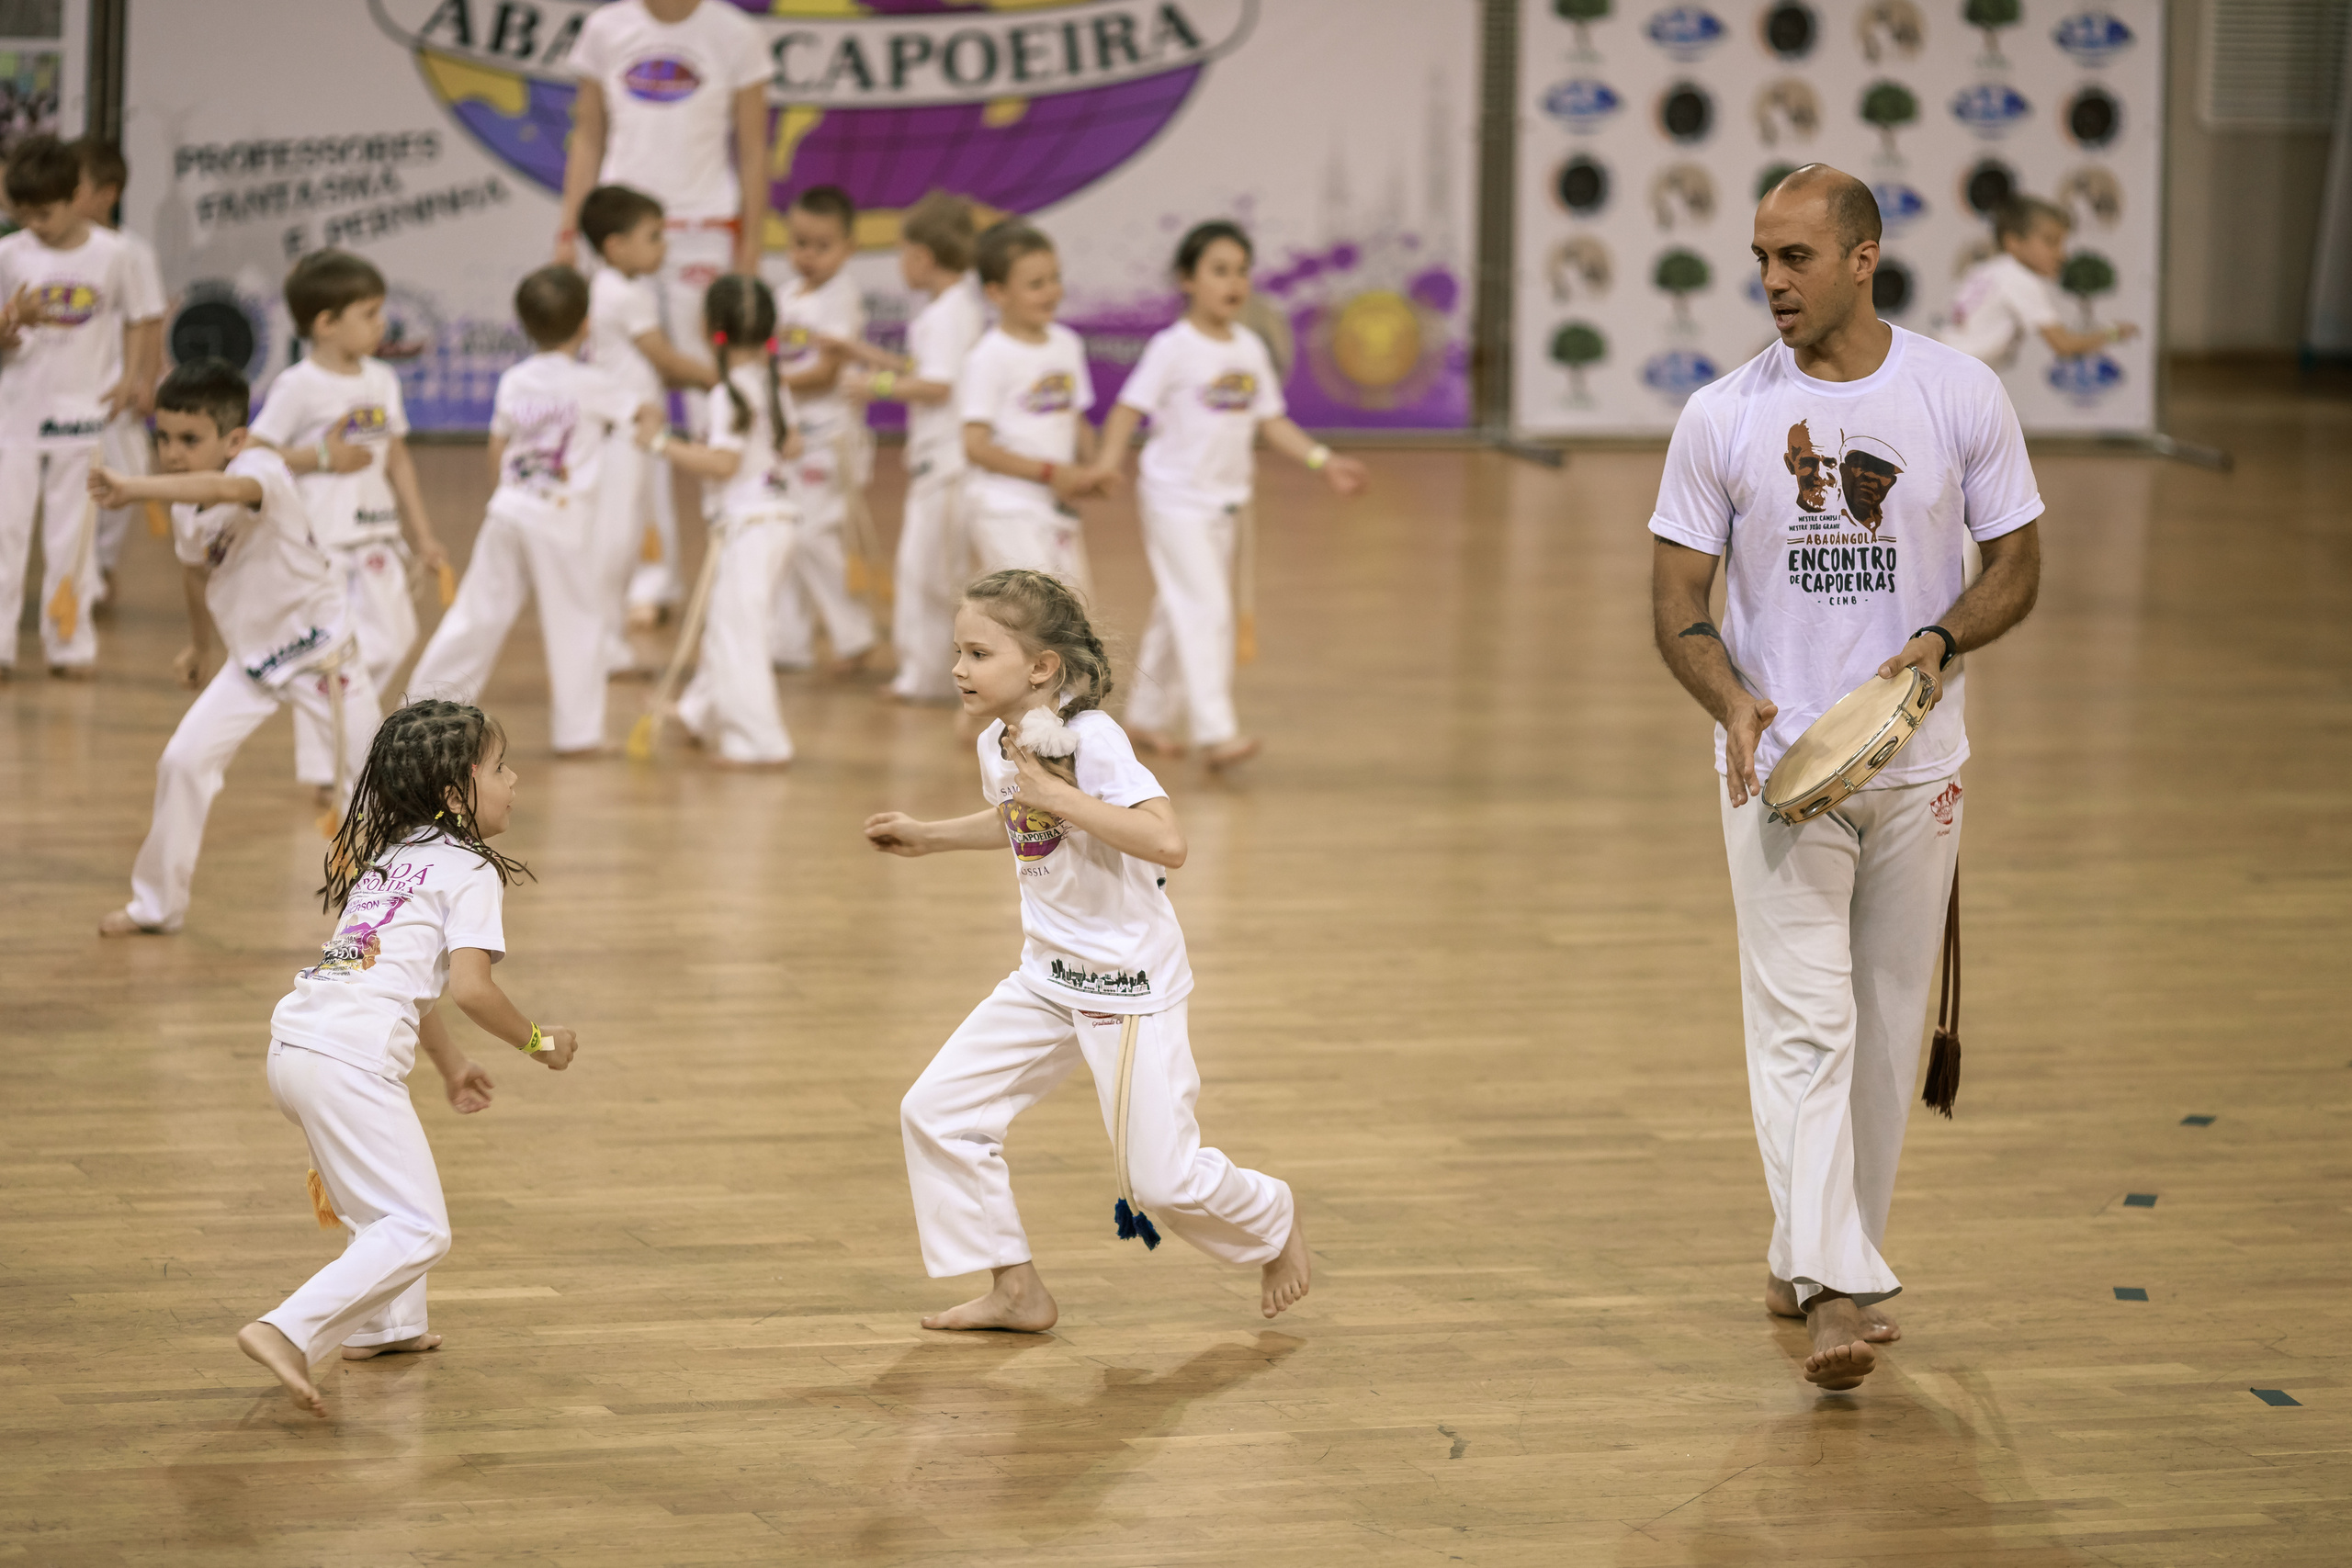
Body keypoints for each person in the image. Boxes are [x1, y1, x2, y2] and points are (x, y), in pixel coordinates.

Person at [1648, 164, 2042, 1390]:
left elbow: (2017, 561)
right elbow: (1674, 601)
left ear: (1862, 257)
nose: (1771, 279)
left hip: (1920, 764)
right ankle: (1836, 1283)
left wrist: (1943, 638)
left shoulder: (1955, 392)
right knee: (1806, 1025)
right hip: (1779, 773)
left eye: (1796, 258)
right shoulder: (1721, 414)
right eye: (1760, 256)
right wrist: (1730, 697)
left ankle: (1803, 1246)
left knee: (1877, 1036)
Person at [865, 569, 1312, 1330]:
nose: (958, 668)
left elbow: (1167, 840)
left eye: (978, 653)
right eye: (958, 652)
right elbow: (1024, 822)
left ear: (1040, 666)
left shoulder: (1094, 740)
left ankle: (1272, 1218)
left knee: (1162, 1181)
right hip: (1045, 976)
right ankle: (1016, 1289)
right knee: (937, 1111)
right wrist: (930, 836)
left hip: (1127, 986)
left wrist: (1061, 794)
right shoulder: (998, 742)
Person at [234, 700, 579, 1418]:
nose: (516, 779)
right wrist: (541, 1043)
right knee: (417, 1227)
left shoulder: (392, 859)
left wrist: (452, 1067)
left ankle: (386, 1326)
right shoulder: (470, 869)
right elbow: (472, 988)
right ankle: (286, 1328)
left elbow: (404, 986)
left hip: (297, 1044)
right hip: (348, 1061)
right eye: (501, 767)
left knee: (377, 1201)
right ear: (457, 795)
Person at [93, 359, 378, 937]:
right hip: (252, 662)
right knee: (182, 762)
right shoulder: (182, 505)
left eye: (189, 440)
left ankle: (388, 917)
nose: (173, 452)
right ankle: (157, 905)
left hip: (322, 655)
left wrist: (132, 487)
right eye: (163, 438)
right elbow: (196, 574)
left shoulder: (260, 470)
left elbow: (222, 487)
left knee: (368, 789)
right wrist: (199, 647)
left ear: (235, 439)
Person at [1091, 220, 1368, 768]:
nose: (1233, 282)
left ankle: (1146, 715)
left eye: (1241, 271)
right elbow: (1127, 409)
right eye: (1219, 270)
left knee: (1180, 605)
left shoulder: (1248, 349)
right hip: (1174, 500)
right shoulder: (1173, 347)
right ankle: (1215, 732)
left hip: (1225, 506)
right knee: (1207, 608)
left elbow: (1273, 421)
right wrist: (1105, 461)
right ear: (1187, 280)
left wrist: (1323, 460)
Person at [556, 0, 769, 615]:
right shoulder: (606, 28)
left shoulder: (735, 34)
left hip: (706, 233)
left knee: (716, 396)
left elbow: (754, 149)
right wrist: (569, 234)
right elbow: (589, 136)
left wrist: (748, 249)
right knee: (633, 403)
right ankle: (651, 574)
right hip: (621, 241)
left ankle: (734, 552)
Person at [403, 267, 655, 756]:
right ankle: (578, 734)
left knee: (476, 614)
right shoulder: (593, 382)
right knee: (578, 621)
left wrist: (508, 492)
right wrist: (649, 425)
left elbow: (498, 445)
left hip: (509, 511)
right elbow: (644, 411)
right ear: (587, 324)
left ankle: (423, 716)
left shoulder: (515, 379)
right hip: (560, 522)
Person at [250, 250, 447, 801]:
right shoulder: (298, 385)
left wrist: (422, 534)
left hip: (379, 533)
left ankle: (337, 745)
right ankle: (334, 766)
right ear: (326, 323)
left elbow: (399, 458)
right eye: (369, 313)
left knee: (393, 637)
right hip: (322, 540)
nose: (381, 324)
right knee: (335, 652)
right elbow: (256, 457)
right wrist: (321, 457)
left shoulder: (383, 379)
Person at [0, 133, 162, 674]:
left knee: (72, 536)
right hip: (16, 414)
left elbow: (140, 316)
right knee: (7, 532)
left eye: (44, 212)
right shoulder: (9, 253)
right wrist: (12, 323)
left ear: (75, 197)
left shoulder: (116, 255)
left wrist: (131, 379)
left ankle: (67, 644)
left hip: (81, 414)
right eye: (23, 214)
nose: (34, 225)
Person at [639, 274, 800, 764]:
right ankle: (698, 711)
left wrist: (659, 442)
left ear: (710, 328)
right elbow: (792, 444)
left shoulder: (727, 391)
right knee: (728, 622)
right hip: (775, 517)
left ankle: (758, 741)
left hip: (752, 524)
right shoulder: (771, 383)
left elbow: (723, 464)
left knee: (739, 632)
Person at [843, 190, 985, 705]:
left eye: (903, 251)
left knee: (931, 573)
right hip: (938, 463)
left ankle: (932, 675)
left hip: (947, 464)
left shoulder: (947, 313)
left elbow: (937, 385)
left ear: (923, 256)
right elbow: (923, 371)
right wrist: (863, 356)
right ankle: (929, 671)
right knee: (925, 570)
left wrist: (874, 387)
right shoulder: (949, 309)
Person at [580, 183, 718, 650]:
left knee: (634, 526)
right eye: (654, 236)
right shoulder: (624, 294)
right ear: (616, 246)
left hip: (635, 425)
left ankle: (614, 626)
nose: (665, 246)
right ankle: (602, 638)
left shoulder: (616, 286)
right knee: (618, 535)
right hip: (627, 429)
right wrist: (723, 382)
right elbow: (664, 359)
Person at [958, 220, 1113, 589]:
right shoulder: (988, 357)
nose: (1051, 292)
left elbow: (1076, 421)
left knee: (1073, 611)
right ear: (996, 292)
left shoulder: (1067, 344)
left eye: (1055, 278)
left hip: (1056, 507)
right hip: (1004, 507)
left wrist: (1088, 472)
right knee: (1036, 616)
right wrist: (1050, 473)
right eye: (1035, 284)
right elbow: (975, 446)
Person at [765, 185, 877, 675]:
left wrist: (766, 382)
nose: (807, 255)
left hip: (829, 438)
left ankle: (855, 636)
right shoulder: (784, 295)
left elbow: (825, 373)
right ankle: (789, 640)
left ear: (849, 247)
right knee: (787, 533)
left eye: (822, 245)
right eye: (799, 243)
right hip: (791, 436)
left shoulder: (841, 295)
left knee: (812, 534)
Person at [74, 139, 167, 604]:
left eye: (77, 185)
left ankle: (102, 566)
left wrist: (144, 379)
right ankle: (80, 572)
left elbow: (149, 318)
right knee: (72, 487)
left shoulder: (132, 251)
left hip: (117, 387)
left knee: (123, 476)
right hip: (69, 389)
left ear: (108, 192)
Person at [1941, 196, 2137, 370]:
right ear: (2013, 242)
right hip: (1954, 375)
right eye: (2050, 242)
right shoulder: (2019, 279)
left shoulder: (1986, 270)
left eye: (2062, 243)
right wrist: (2113, 333)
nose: (2061, 254)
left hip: (1940, 366)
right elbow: (2064, 345)